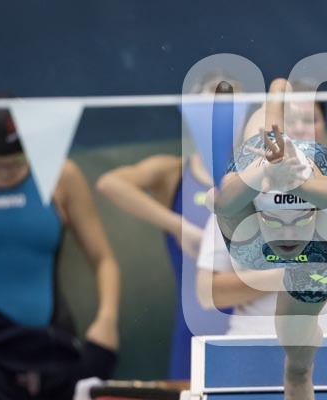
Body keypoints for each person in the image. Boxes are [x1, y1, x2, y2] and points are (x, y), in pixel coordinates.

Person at [197, 80, 327, 386]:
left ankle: (299, 362)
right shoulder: (246, 184)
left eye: (310, 119)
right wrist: (286, 274)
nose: (300, 128)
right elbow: (209, 290)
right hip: (252, 349)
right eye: (291, 119)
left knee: (298, 360)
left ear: (324, 128)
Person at [95, 76, 238, 381]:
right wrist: (178, 225)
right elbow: (110, 184)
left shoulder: (259, 177)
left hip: (249, 325)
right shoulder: (174, 173)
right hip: (192, 330)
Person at [0, 102, 119, 400]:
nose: (5, 172)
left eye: (16, 162)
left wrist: (107, 319)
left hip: (47, 344)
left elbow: (103, 259)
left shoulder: (60, 176)